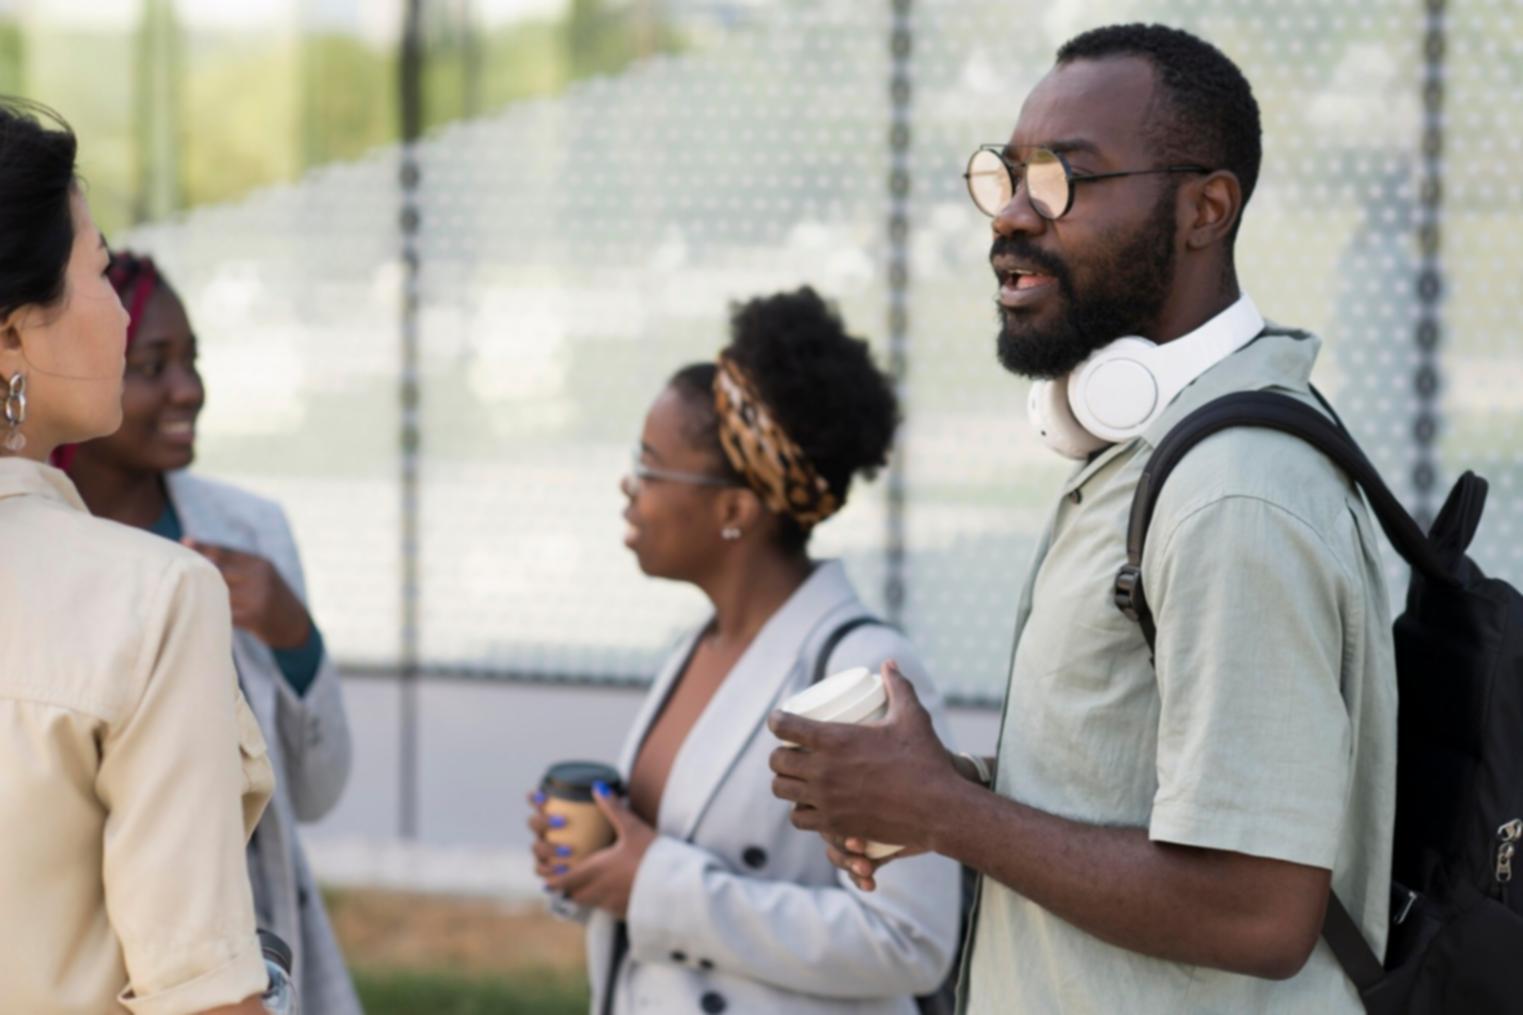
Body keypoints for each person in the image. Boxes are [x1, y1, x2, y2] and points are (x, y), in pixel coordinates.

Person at [769, 23, 1397, 1014]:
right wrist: (940, 789)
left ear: (1204, 208)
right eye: (1004, 175)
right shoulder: (1157, 453)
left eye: (1061, 178)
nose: (1011, 216)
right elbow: (1137, 799)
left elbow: (1256, 908)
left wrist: (942, 812)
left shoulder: (1231, 494)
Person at [530, 288, 962, 1014]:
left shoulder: (861, 676)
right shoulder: (698, 647)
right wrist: (596, 866)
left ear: (734, 509)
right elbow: (654, 881)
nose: (627, 487)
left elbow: (910, 940)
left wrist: (660, 886)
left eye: (649, 465)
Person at [0, 100, 273, 1014]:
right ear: (11, 333)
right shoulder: (150, 598)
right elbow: (202, 995)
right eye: (101, 270)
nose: (120, 307)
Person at [65, 252, 362, 1015]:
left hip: (259, 955)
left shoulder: (249, 531)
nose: (187, 389)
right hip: (92, 960)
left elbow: (321, 792)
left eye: (193, 360)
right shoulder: (40, 552)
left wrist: (294, 634)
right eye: (152, 364)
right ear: (84, 371)